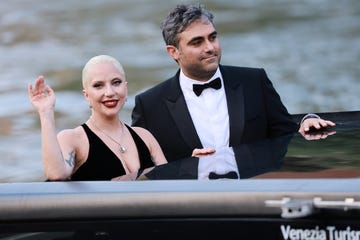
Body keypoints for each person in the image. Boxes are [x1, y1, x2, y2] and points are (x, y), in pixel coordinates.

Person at [131, 4, 335, 178]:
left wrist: (308, 120)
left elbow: (286, 139)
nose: (210, 47)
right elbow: (142, 173)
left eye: (212, 37)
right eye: (197, 42)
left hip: (255, 201)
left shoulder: (255, 81)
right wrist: (185, 166)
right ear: (173, 52)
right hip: (190, 209)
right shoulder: (149, 105)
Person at [28, 55, 169, 181]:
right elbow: (56, 174)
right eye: (98, 85)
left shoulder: (145, 137)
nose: (109, 92)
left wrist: (190, 162)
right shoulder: (72, 138)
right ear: (86, 95)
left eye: (116, 82)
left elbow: (170, 181)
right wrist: (46, 113)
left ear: (125, 88)